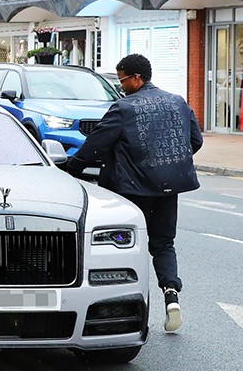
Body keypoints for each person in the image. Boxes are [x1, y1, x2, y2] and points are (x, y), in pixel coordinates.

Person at [66, 54, 203, 333]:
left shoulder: (124, 108)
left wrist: (72, 169)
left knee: (128, 245)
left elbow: (96, 143)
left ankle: (132, 306)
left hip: (132, 191)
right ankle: (171, 295)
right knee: (163, 244)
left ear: (137, 78)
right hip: (168, 188)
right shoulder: (177, 102)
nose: (121, 87)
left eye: (123, 80)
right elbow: (195, 141)